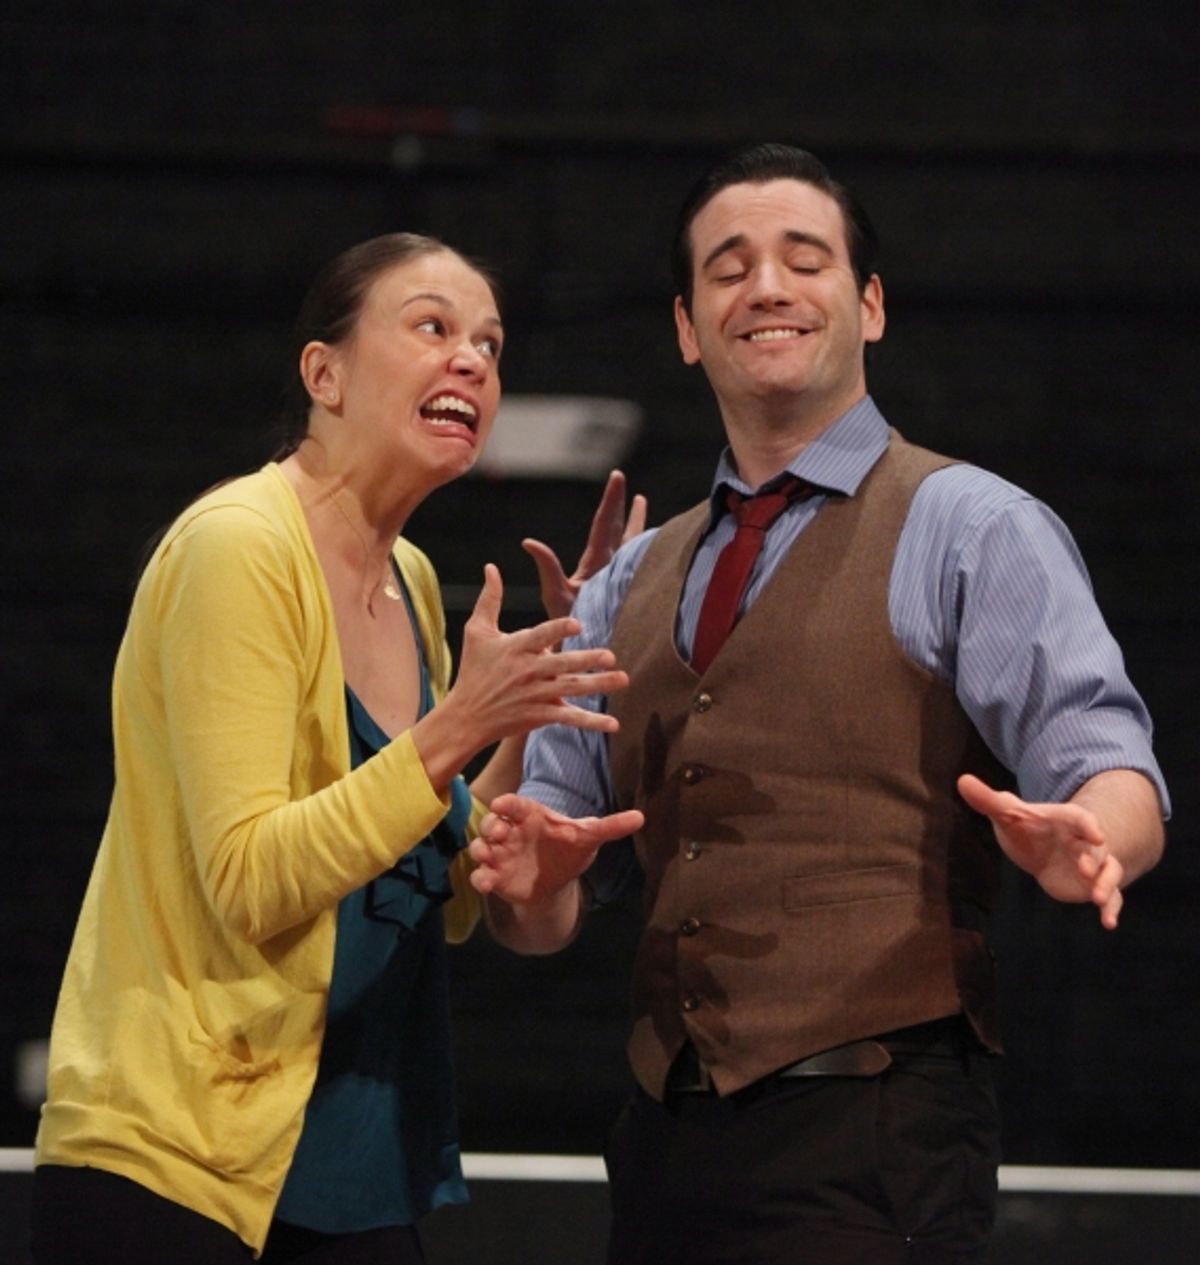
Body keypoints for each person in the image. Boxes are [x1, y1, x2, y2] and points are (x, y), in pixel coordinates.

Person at [467, 145, 1170, 1264]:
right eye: (729, 268)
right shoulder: (627, 580)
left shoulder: (971, 525)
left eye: (806, 260)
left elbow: (1110, 758)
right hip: (663, 1139)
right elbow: (537, 910)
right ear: (690, 326)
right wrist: (530, 881)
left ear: (870, 303)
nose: (769, 288)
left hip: (874, 1130)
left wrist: (1097, 838)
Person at [30, 231, 643, 1264]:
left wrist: (524, 714)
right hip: (176, 1162)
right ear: (325, 374)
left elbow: (431, 890)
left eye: (490, 344)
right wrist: (465, 720)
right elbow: (251, 879)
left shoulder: (407, 578)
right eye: (433, 328)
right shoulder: (239, 547)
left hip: (352, 1167)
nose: (473, 361)